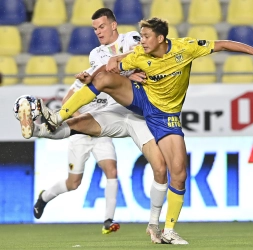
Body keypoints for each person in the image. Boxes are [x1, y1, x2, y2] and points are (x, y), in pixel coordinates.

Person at [17, 9, 168, 244]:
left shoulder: (131, 38)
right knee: (73, 182)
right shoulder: (95, 56)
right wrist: (128, 73)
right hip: (104, 117)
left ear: (114, 25)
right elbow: (106, 74)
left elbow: (143, 54)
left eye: (101, 27)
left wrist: (127, 65)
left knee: (152, 168)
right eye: (95, 29)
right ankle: (36, 134)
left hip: (134, 115)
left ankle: (129, 223)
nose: (98, 32)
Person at [33, 85, 120, 235]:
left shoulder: (113, 80)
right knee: (73, 183)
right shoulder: (86, 78)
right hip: (79, 135)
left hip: (102, 135)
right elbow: (67, 101)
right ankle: (44, 197)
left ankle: (108, 221)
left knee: (112, 171)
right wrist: (84, 122)